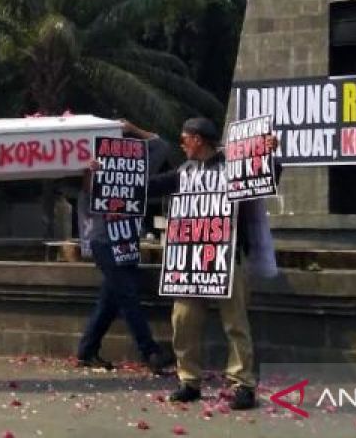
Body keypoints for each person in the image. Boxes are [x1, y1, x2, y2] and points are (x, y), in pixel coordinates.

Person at [149, 116, 279, 410]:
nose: (181, 144)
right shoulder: (183, 172)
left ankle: (243, 384)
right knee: (183, 321)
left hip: (228, 258)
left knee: (235, 323)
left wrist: (269, 153)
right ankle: (189, 380)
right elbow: (150, 187)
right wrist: (104, 178)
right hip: (189, 262)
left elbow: (268, 175)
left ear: (197, 139)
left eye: (184, 138)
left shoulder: (234, 169)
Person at [75, 120, 176, 374]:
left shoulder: (137, 171)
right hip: (104, 242)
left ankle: (87, 350)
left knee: (111, 300)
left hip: (127, 241)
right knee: (128, 295)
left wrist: (133, 130)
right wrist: (89, 173)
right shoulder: (93, 170)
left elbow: (161, 146)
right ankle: (150, 351)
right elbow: (88, 197)